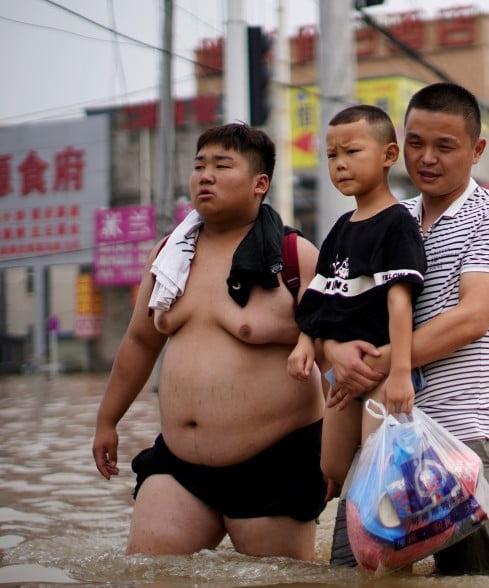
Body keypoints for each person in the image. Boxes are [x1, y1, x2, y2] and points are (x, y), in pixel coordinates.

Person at [92, 123, 328, 561]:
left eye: (222, 166)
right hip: (180, 464)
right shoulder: (169, 256)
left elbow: (334, 355)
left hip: (274, 464)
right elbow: (140, 344)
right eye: (199, 165)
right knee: (150, 581)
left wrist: (343, 454)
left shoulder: (295, 256)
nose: (205, 176)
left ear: (260, 184)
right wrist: (108, 420)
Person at [322, 82, 489, 574]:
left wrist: (378, 361)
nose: (427, 158)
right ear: (397, 145)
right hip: (379, 440)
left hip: (461, 439)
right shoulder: (386, 217)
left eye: (445, 146)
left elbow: (471, 319)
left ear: (477, 150)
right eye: (415, 143)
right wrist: (333, 351)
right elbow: (339, 306)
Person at [287, 104, 426, 502]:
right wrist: (304, 343)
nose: (340, 165)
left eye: (352, 152)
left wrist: (400, 372)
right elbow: (317, 295)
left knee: (377, 468)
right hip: (343, 376)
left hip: (384, 371)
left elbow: (400, 304)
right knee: (330, 468)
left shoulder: (398, 223)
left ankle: (386, 548)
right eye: (332, 156)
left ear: (388, 155)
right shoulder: (340, 229)